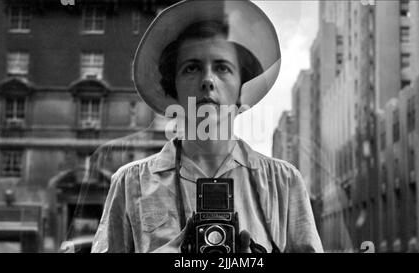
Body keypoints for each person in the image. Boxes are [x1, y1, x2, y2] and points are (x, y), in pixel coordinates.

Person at [91, 0, 323, 253]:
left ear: (241, 88)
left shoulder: (283, 182)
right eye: (192, 68)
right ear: (173, 86)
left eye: (222, 68)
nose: (208, 81)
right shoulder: (130, 183)